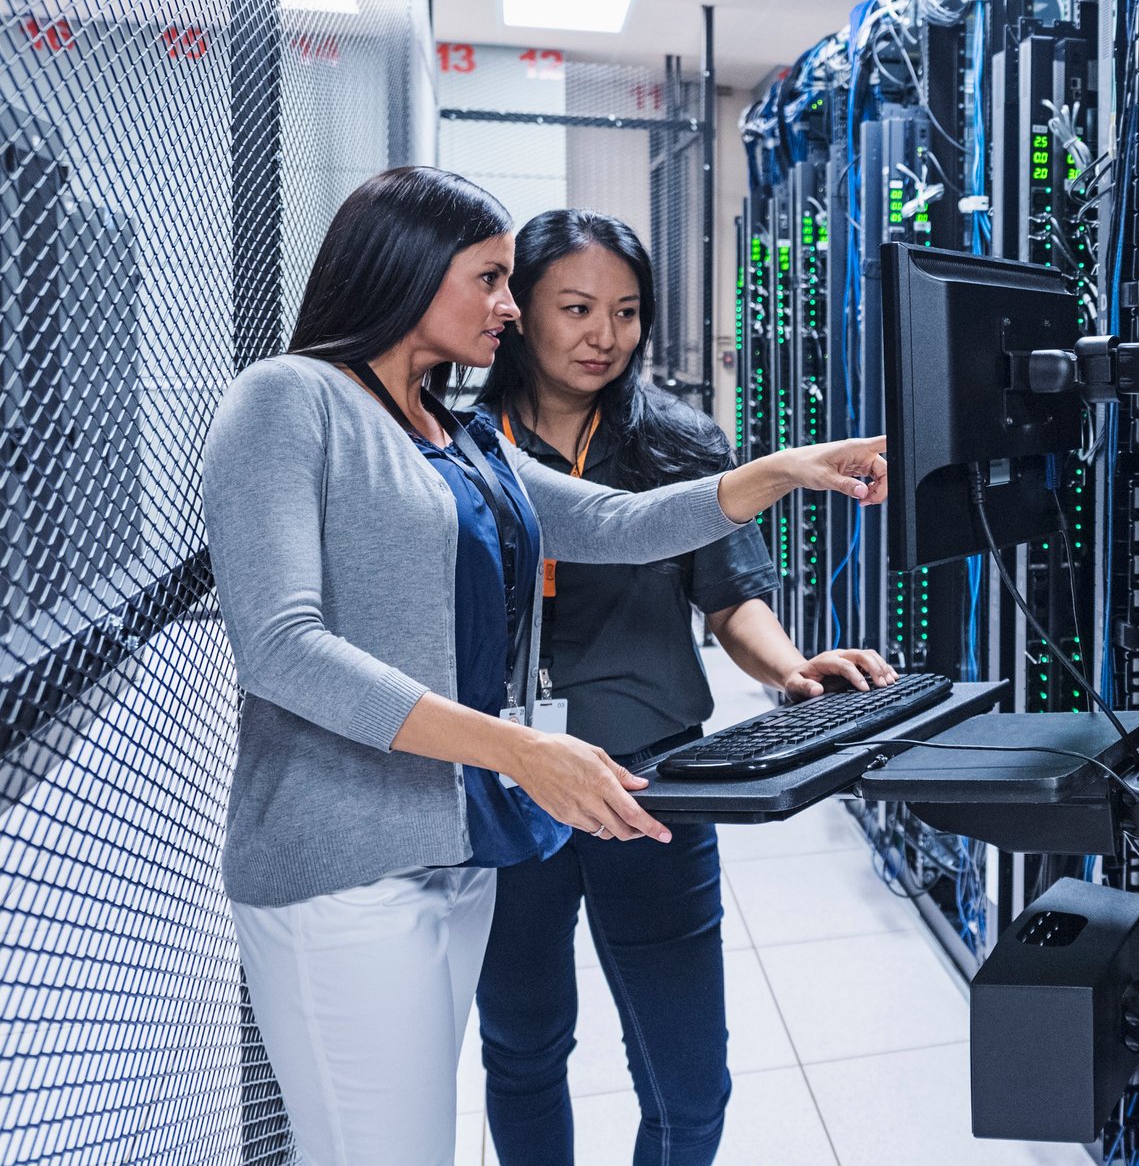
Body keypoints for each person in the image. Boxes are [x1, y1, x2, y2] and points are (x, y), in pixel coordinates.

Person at [200, 168, 887, 1166]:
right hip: (344, 856)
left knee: (417, 1138)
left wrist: (779, 469)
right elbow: (279, 645)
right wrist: (523, 748)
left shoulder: (449, 433)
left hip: (457, 844)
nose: (510, 308)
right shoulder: (287, 397)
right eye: (492, 279)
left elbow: (619, 520)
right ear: (408, 269)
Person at [470, 209, 895, 1166]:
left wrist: (790, 668)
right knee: (524, 1049)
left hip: (657, 786)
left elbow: (728, 595)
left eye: (625, 311)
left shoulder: (679, 442)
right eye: (575, 307)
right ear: (518, 308)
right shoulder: (460, 446)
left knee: (690, 1081)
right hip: (508, 786)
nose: (603, 336)